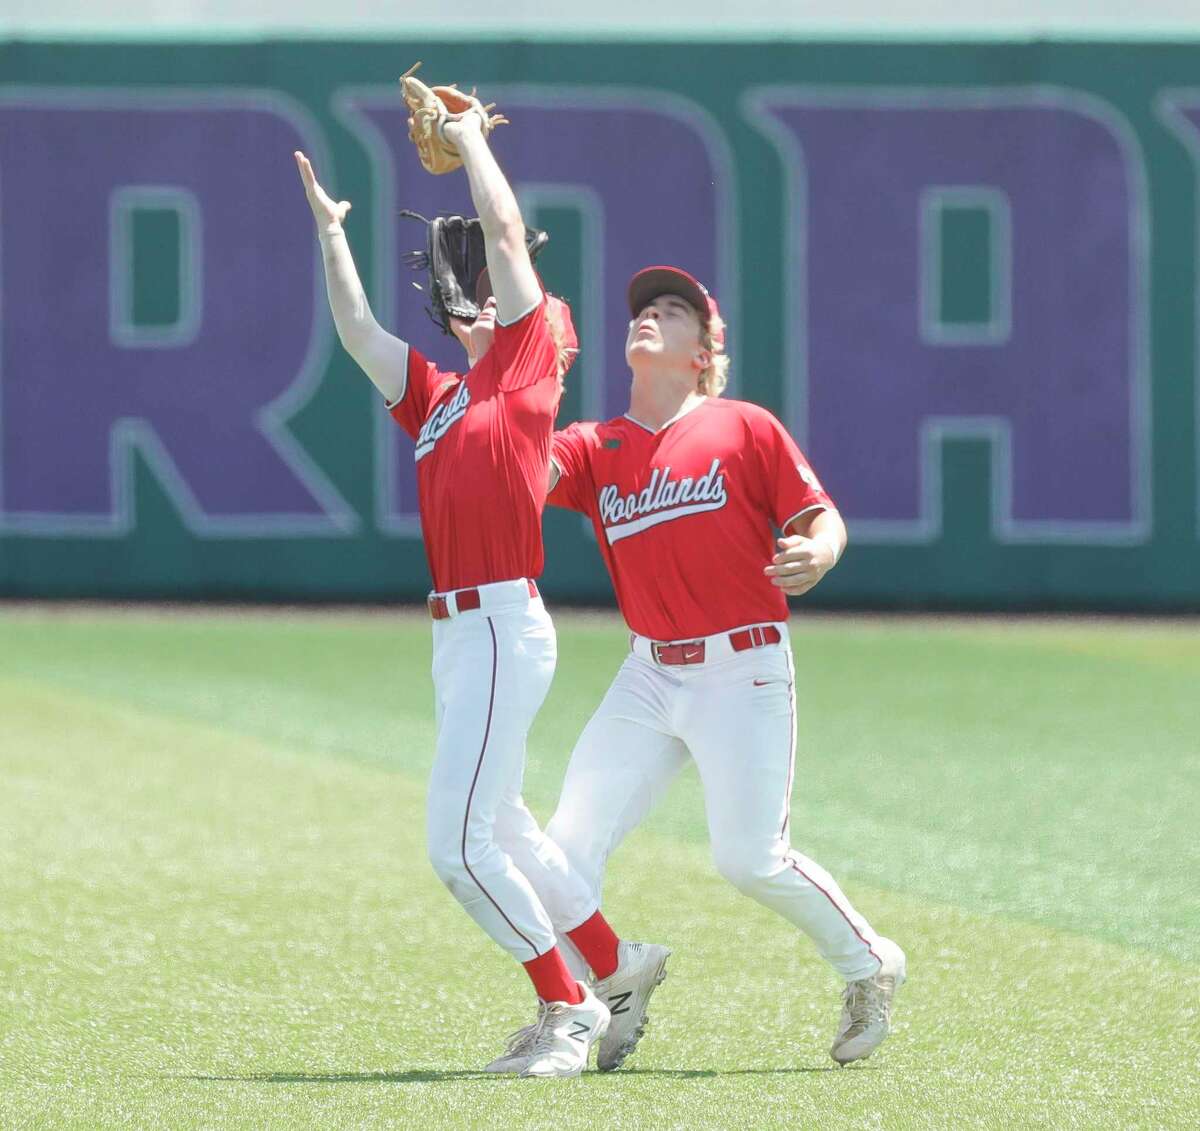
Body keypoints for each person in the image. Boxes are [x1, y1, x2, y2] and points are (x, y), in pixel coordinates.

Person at [293, 106, 665, 1077]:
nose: (466, 289)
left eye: (493, 292)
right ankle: (618, 965)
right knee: (500, 824)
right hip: (458, 640)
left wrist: (471, 144)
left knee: (457, 847)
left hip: (502, 623)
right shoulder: (441, 395)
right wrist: (334, 234)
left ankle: (566, 1009)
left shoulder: (527, 374)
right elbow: (358, 330)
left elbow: (504, 235)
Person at [544, 265, 906, 1066]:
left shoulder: (743, 426)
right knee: (560, 847)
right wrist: (501, 354)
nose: (649, 316)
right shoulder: (597, 447)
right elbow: (514, 467)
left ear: (703, 352)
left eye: (671, 311)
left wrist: (819, 549)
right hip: (648, 672)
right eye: (643, 308)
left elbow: (821, 517)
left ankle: (869, 962)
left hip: (741, 667)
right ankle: (607, 984)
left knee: (749, 857)